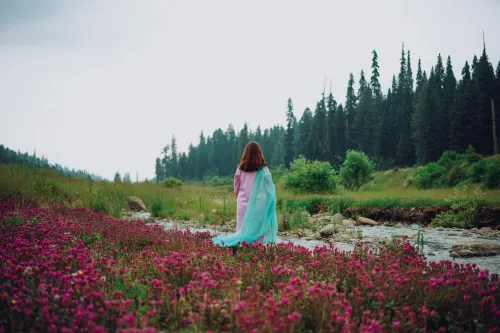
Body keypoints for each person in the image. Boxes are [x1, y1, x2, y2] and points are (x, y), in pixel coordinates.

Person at [212, 141, 278, 249]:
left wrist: (239, 197)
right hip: (259, 205)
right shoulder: (264, 170)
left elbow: (236, 187)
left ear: (245, 153)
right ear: (259, 153)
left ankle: (240, 249)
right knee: (258, 228)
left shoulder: (240, 169)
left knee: (242, 228)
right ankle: (256, 250)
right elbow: (270, 188)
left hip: (242, 203)